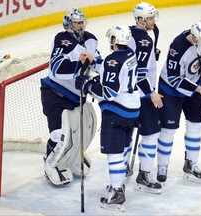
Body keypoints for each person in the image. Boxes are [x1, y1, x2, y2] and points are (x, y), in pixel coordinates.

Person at [75, 25, 140, 212]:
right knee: (124, 148)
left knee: (114, 152)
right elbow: (112, 70)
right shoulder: (131, 55)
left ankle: (118, 192)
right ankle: (118, 183)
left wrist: (87, 85)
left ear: (114, 40)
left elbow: (109, 92)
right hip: (132, 110)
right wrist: (94, 61)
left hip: (117, 111)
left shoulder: (113, 60)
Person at [156, 20, 201, 183]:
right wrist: (198, 89)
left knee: (195, 127)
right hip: (171, 90)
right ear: (194, 37)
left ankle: (191, 164)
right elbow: (174, 78)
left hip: (196, 85)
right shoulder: (178, 47)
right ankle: (162, 165)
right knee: (168, 130)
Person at [40, 8, 102, 185]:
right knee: (59, 135)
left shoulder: (90, 39)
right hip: (55, 94)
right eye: (77, 22)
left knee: (80, 132)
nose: (81, 26)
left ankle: (73, 158)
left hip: (76, 96)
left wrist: (101, 67)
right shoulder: (61, 40)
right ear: (68, 23)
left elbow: (97, 61)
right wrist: (79, 65)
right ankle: (51, 162)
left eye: (82, 22)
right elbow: (56, 68)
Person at [126, 2, 163, 193]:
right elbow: (139, 74)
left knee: (126, 135)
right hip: (141, 95)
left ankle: (121, 171)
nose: (153, 21)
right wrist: (151, 93)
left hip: (126, 95)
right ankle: (144, 174)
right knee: (151, 134)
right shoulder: (144, 40)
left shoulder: (129, 33)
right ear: (140, 20)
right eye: (149, 18)